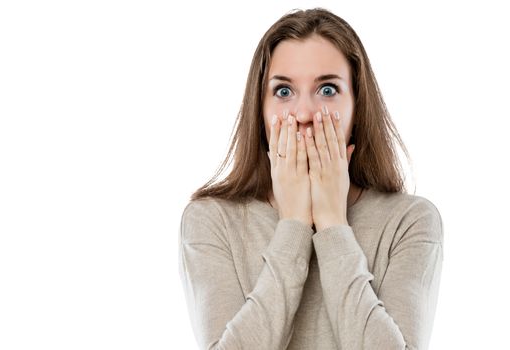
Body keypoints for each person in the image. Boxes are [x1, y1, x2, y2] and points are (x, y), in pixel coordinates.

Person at [178, 7, 444, 350]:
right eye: (284, 92)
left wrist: (333, 223)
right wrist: (294, 224)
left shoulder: (410, 222)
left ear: (357, 106)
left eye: (328, 90)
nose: (303, 114)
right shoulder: (211, 220)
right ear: (259, 109)